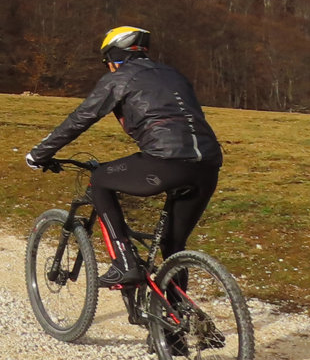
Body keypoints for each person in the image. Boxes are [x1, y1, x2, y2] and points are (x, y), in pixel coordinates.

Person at [24, 26, 222, 287]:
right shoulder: (174, 75)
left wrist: (39, 154)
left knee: (100, 180)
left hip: (165, 162)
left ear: (113, 58)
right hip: (208, 165)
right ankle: (176, 323)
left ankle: (125, 264)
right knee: (173, 246)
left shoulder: (119, 78)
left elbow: (80, 119)